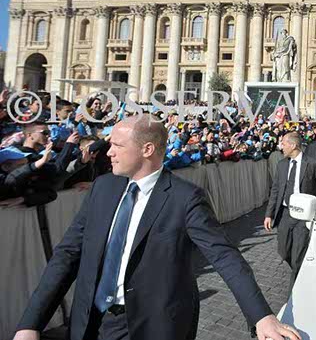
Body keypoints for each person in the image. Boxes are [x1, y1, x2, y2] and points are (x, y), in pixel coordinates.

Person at [13, 114, 299, 340]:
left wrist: (261, 316)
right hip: (89, 322)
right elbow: (67, 255)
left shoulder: (185, 198)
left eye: (117, 146)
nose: (108, 152)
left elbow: (225, 256)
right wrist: (31, 323)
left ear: (147, 149)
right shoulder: (102, 187)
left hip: (152, 326)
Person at [264, 131, 316, 285]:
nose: (281, 146)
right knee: (283, 251)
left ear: (293, 145)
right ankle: (300, 271)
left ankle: (295, 289)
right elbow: (275, 190)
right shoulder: (282, 164)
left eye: (283, 143)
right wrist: (269, 214)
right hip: (285, 213)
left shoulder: (312, 163)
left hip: (303, 216)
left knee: (298, 256)